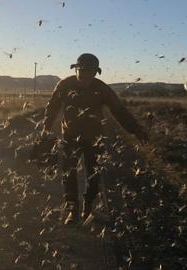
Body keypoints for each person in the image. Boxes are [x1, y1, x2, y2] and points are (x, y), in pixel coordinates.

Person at [38, 53, 149, 225]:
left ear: (96, 73)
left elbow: (118, 110)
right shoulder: (64, 85)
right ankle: (72, 210)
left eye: (91, 73)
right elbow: (52, 107)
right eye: (83, 72)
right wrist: (46, 127)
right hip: (70, 136)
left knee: (94, 175)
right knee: (69, 173)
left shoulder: (102, 88)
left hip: (94, 138)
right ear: (76, 69)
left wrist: (136, 130)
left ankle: (88, 208)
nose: (87, 77)